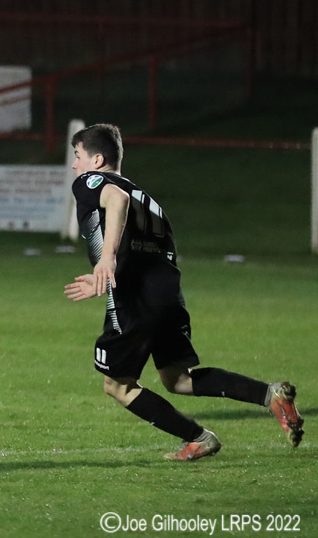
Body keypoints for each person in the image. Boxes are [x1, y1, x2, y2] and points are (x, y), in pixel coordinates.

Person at [64, 123, 303, 461]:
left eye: (78, 156)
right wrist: (107, 273)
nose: (75, 165)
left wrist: (107, 259)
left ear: (98, 159)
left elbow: (114, 201)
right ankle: (271, 394)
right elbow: (156, 247)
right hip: (167, 294)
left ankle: (198, 437)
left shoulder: (93, 183)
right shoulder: (148, 200)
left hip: (137, 298)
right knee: (177, 379)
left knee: (117, 385)